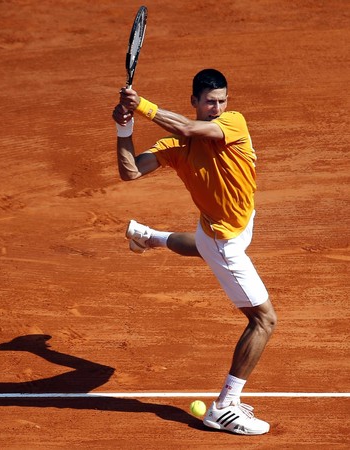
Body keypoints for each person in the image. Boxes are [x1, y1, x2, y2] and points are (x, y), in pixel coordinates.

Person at [111, 68, 277, 435]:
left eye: (222, 100)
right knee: (264, 321)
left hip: (234, 222)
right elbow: (129, 173)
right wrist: (125, 129)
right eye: (209, 102)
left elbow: (187, 129)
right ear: (194, 102)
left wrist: (142, 106)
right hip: (223, 239)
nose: (218, 107)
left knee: (201, 245)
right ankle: (225, 406)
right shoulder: (174, 148)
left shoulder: (234, 123)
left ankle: (147, 236)